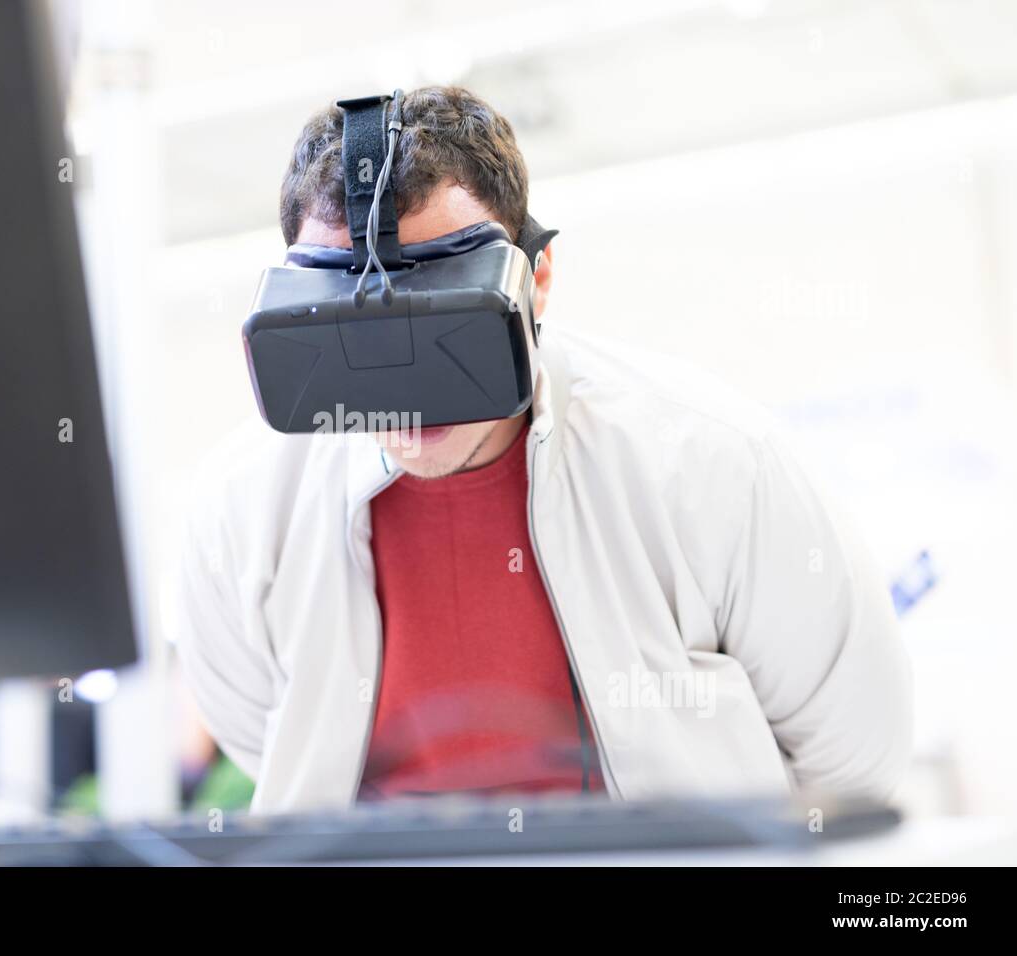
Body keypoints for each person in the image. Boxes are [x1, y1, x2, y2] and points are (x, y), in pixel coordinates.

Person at [167, 86, 912, 813]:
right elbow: (272, 742)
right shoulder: (242, 510)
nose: (402, 384)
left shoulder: (711, 463)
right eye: (355, 333)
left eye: (440, 323)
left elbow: (852, 761)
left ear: (538, 281)